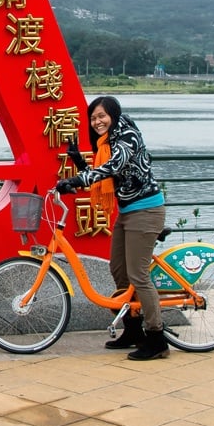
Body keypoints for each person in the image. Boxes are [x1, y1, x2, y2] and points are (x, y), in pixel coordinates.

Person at [56, 95, 168, 361]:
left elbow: (113, 166)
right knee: (118, 270)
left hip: (146, 210)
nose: (97, 122)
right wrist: (80, 163)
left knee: (139, 275)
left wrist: (77, 178)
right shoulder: (107, 142)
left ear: (114, 115)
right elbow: (107, 174)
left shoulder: (127, 136)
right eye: (93, 118)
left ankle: (156, 337)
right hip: (127, 212)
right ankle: (133, 330)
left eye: (102, 116)